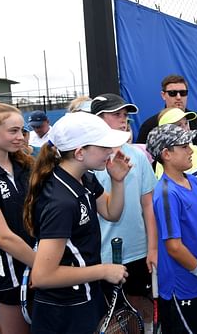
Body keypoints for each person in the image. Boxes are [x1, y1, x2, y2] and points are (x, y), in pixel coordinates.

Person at [22, 112, 131, 334]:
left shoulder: (86, 178)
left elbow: (112, 213)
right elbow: (42, 276)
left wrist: (117, 181)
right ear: (80, 153)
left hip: (85, 296)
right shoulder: (60, 202)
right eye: (103, 147)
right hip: (63, 311)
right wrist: (102, 271)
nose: (111, 152)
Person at [146, 124, 197, 334]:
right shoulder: (165, 193)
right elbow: (173, 247)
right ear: (166, 154)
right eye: (184, 146)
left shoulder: (192, 180)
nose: (191, 150)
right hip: (181, 290)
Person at [90, 93, 158, 333]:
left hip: (139, 251)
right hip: (104, 255)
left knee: (143, 307)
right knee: (114, 318)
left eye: (125, 115)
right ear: (97, 119)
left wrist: (152, 248)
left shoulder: (139, 156)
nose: (123, 120)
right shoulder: (90, 159)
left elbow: (148, 205)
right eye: (116, 114)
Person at [0, 103, 36, 334]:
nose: (20, 137)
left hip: (37, 266)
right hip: (7, 272)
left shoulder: (26, 166)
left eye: (22, 130)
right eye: (13, 131)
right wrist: (43, 265)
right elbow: (2, 236)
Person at [136, 74, 197, 180]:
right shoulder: (150, 125)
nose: (178, 97)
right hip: (167, 186)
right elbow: (141, 159)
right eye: (173, 93)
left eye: (183, 93)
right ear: (163, 95)